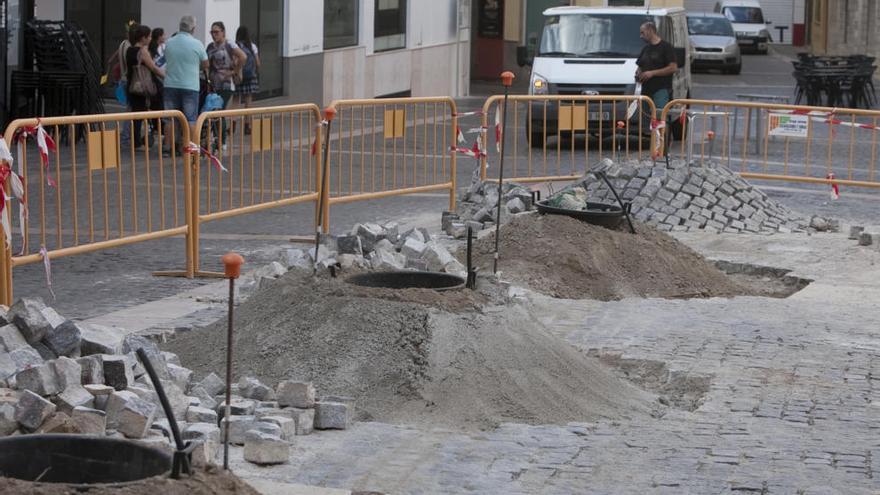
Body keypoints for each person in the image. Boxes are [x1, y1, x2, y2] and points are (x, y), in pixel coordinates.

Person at [163, 15, 208, 151]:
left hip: (170, 84)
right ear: (193, 28)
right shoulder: (197, 44)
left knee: (170, 118)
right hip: (190, 86)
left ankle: (167, 148)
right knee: (190, 119)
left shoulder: (169, 42)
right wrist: (196, 67)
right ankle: (191, 148)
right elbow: (206, 64)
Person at [125, 24, 165, 147]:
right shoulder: (142, 51)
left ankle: (136, 141)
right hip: (144, 86)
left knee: (136, 114)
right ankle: (160, 132)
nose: (149, 39)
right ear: (143, 38)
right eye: (148, 37)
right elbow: (153, 67)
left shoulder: (129, 50)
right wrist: (167, 77)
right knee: (156, 109)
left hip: (132, 85)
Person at [635, 21, 677, 111]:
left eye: (642, 33)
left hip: (661, 90)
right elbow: (640, 66)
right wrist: (638, 73)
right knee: (645, 119)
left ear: (650, 31)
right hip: (645, 92)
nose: (640, 36)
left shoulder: (666, 47)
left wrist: (652, 73)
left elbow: (673, 67)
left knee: (658, 119)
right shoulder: (645, 48)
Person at [206, 22, 246, 110]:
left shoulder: (229, 44)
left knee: (219, 109)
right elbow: (207, 65)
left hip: (226, 83)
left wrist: (234, 71)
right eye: (212, 32)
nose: (214, 35)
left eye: (216, 32)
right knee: (213, 109)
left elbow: (243, 57)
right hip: (213, 84)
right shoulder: (210, 47)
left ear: (223, 32)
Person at [234, 26, 261, 116]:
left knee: (236, 100)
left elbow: (234, 61)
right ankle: (247, 126)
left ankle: (232, 126)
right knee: (248, 101)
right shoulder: (252, 46)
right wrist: (255, 72)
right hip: (250, 76)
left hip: (239, 75)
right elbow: (258, 63)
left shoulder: (236, 46)